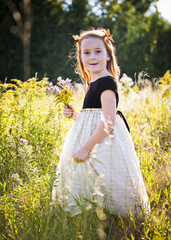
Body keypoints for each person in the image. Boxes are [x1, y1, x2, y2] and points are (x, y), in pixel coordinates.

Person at [52, 28, 150, 217]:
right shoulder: (95, 82)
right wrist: (74, 114)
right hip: (95, 138)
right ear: (80, 57)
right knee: (91, 178)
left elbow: (108, 121)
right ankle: (93, 215)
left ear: (107, 55)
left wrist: (85, 148)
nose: (92, 57)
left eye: (98, 51)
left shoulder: (106, 83)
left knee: (108, 177)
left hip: (102, 143)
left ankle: (119, 217)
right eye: (86, 53)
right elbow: (92, 118)